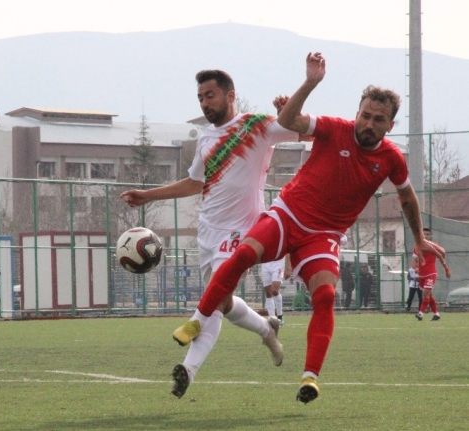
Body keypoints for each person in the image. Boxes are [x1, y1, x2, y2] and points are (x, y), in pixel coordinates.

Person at [171, 52, 446, 404]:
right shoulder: (334, 127)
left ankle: (310, 377)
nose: (368, 124)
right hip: (287, 215)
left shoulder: (391, 158)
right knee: (242, 256)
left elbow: (407, 197)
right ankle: (198, 321)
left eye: (378, 120)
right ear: (356, 112)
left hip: (323, 236)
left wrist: (420, 238)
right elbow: (290, 119)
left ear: (389, 126)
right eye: (364, 115)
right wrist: (311, 82)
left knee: (326, 297)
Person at [120, 69, 300, 399]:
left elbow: (305, 132)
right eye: (201, 98)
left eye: (210, 96)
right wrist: (147, 195)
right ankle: (266, 328)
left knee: (214, 300)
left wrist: (294, 111)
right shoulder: (205, 139)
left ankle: (187, 369)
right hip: (208, 232)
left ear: (230, 96)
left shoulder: (255, 125)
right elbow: (194, 183)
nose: (205, 103)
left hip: (242, 232)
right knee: (225, 302)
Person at [415, 228, 451, 321]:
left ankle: (420, 313)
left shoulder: (434, 246)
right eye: (424, 234)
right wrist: (415, 267)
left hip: (431, 273)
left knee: (426, 294)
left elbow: (441, 256)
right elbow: (415, 259)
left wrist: (446, 269)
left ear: (430, 236)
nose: (426, 236)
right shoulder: (417, 246)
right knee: (429, 295)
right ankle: (436, 313)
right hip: (422, 274)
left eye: (427, 234)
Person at [261, 256, 288, 324]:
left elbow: (287, 252)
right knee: (268, 293)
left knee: (274, 291)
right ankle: (272, 319)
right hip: (265, 264)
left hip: (279, 264)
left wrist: (288, 266)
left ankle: (280, 316)